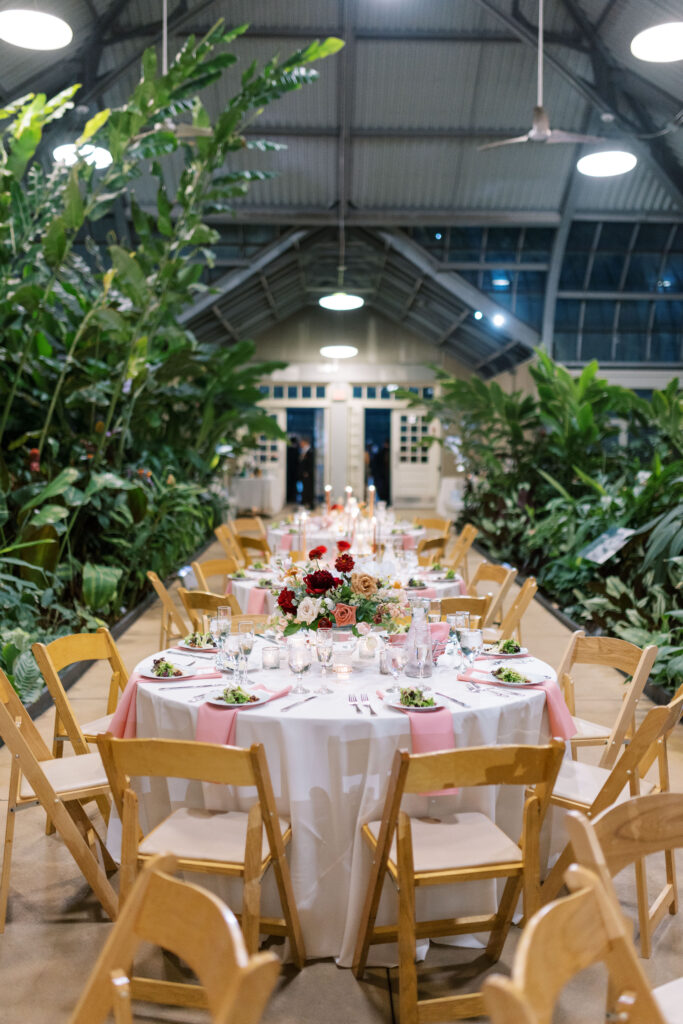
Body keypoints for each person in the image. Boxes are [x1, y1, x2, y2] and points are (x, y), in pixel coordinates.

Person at [298, 435, 315, 508]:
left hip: (308, 474)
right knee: (305, 488)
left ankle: (309, 503)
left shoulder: (310, 451)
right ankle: (304, 502)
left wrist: (307, 472)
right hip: (304, 473)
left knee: (308, 488)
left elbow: (310, 463)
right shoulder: (304, 451)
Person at [286, 434, 300, 504]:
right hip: (294, 470)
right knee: (293, 485)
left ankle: (291, 497)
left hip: (290, 471)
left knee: (291, 484)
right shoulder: (296, 450)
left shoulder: (288, 450)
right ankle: (292, 497)